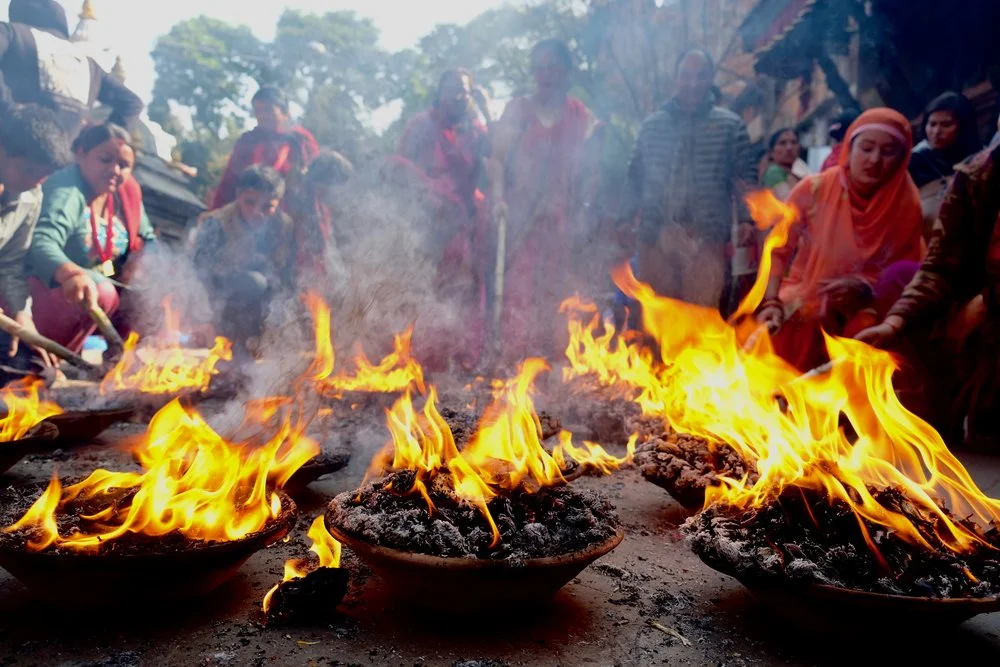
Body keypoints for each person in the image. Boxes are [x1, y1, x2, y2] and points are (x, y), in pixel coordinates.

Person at [756, 108, 924, 372]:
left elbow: (905, 270)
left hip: (870, 305)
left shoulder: (907, 202)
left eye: (888, 152)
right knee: (798, 321)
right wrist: (771, 303)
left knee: (868, 339)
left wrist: (864, 289)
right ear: (849, 147)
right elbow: (777, 249)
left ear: (903, 158)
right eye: (866, 148)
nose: (875, 160)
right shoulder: (814, 188)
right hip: (805, 290)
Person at [855, 143, 1000, 444]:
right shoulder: (975, 175)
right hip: (977, 308)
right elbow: (938, 266)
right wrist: (894, 322)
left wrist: (988, 301)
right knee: (908, 302)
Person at [618, 48, 757, 312]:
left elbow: (744, 178)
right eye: (686, 75)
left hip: (706, 239)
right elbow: (635, 176)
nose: (693, 83)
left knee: (701, 319)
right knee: (656, 317)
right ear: (676, 79)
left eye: (701, 76)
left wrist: (747, 218)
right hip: (656, 236)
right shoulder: (652, 126)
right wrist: (624, 218)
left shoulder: (730, 126)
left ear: (711, 79)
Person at [488, 39, 601, 362]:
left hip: (561, 220)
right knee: (518, 293)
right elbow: (496, 159)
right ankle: (514, 365)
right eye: (540, 67)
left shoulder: (581, 115)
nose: (545, 74)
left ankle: (551, 367)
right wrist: (497, 198)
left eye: (553, 66)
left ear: (567, 71)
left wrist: (585, 210)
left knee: (557, 293)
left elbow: (590, 172)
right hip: (520, 217)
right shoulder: (518, 110)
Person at [26, 123, 155, 354]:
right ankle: (45, 355)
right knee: (103, 291)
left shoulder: (126, 193)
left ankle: (118, 365)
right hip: (44, 286)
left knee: (149, 295)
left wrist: (142, 262)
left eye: (124, 166)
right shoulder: (66, 188)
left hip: (101, 283)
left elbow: (149, 240)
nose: (116, 170)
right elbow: (41, 241)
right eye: (105, 159)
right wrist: (71, 274)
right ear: (80, 153)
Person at [394, 68, 491, 369]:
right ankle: (425, 358)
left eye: (463, 90)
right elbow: (401, 167)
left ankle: (464, 357)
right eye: (451, 88)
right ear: (439, 92)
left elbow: (499, 156)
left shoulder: (474, 128)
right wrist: (425, 199)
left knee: (465, 288)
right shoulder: (421, 125)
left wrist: (487, 108)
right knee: (430, 287)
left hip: (465, 218)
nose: (456, 95)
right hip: (428, 218)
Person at [0, 104, 72, 376]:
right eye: (28, 170)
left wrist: (22, 316)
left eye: (42, 177)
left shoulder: (30, 195)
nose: (34, 183)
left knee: (38, 371)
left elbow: (9, 264)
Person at [193, 165, 294, 359]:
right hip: (222, 299)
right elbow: (198, 273)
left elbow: (284, 272)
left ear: (278, 203)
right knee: (253, 282)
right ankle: (234, 344)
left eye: (267, 207)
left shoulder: (283, 226)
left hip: (264, 301)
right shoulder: (217, 223)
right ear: (239, 195)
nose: (258, 212)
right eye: (250, 202)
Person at [0, 0, 143, 134]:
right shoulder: (89, 65)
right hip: (65, 156)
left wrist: (9, 110)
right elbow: (132, 103)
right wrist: (96, 143)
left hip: (10, 150)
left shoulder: (13, 33)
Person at [212, 85, 320, 210]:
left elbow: (315, 186)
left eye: (268, 110)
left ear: (285, 113)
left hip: (289, 216)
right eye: (258, 111)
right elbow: (229, 181)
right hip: (249, 213)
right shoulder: (248, 141)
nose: (262, 116)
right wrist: (216, 212)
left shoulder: (301, 141)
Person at [908, 92, 982, 235]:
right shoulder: (915, 162)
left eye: (946, 124)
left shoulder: (979, 157)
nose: (936, 132)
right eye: (932, 124)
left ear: (963, 126)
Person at [288, 149, 354, 285]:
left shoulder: (323, 206)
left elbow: (329, 249)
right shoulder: (296, 204)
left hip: (322, 274)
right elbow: (306, 254)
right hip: (294, 278)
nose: (337, 194)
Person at [761, 128, 809, 201]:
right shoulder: (774, 172)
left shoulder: (794, 172)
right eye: (782, 143)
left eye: (794, 142)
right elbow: (788, 202)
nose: (789, 148)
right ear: (772, 152)